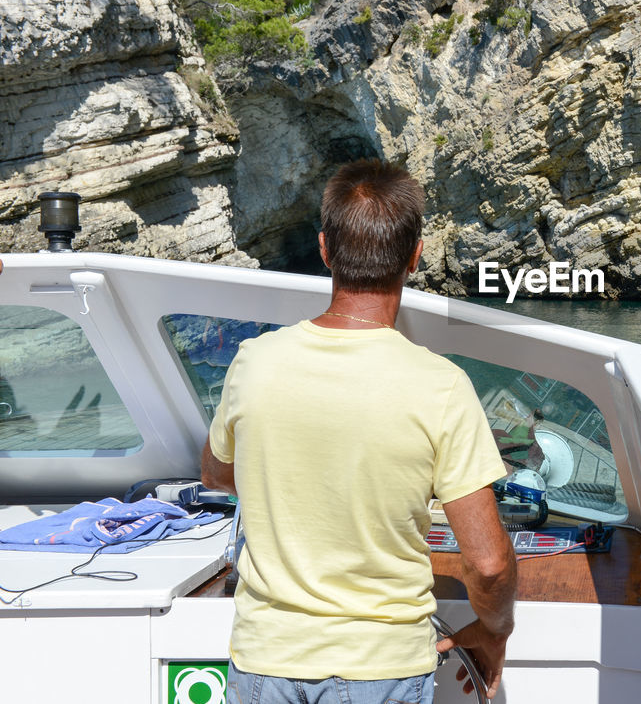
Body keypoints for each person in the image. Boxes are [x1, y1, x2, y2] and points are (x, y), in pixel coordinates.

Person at [201, 159, 516, 703]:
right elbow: (487, 565)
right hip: (382, 668)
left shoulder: (254, 362)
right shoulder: (441, 386)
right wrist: (494, 631)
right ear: (415, 257)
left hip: (265, 662)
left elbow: (216, 473)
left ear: (324, 250)